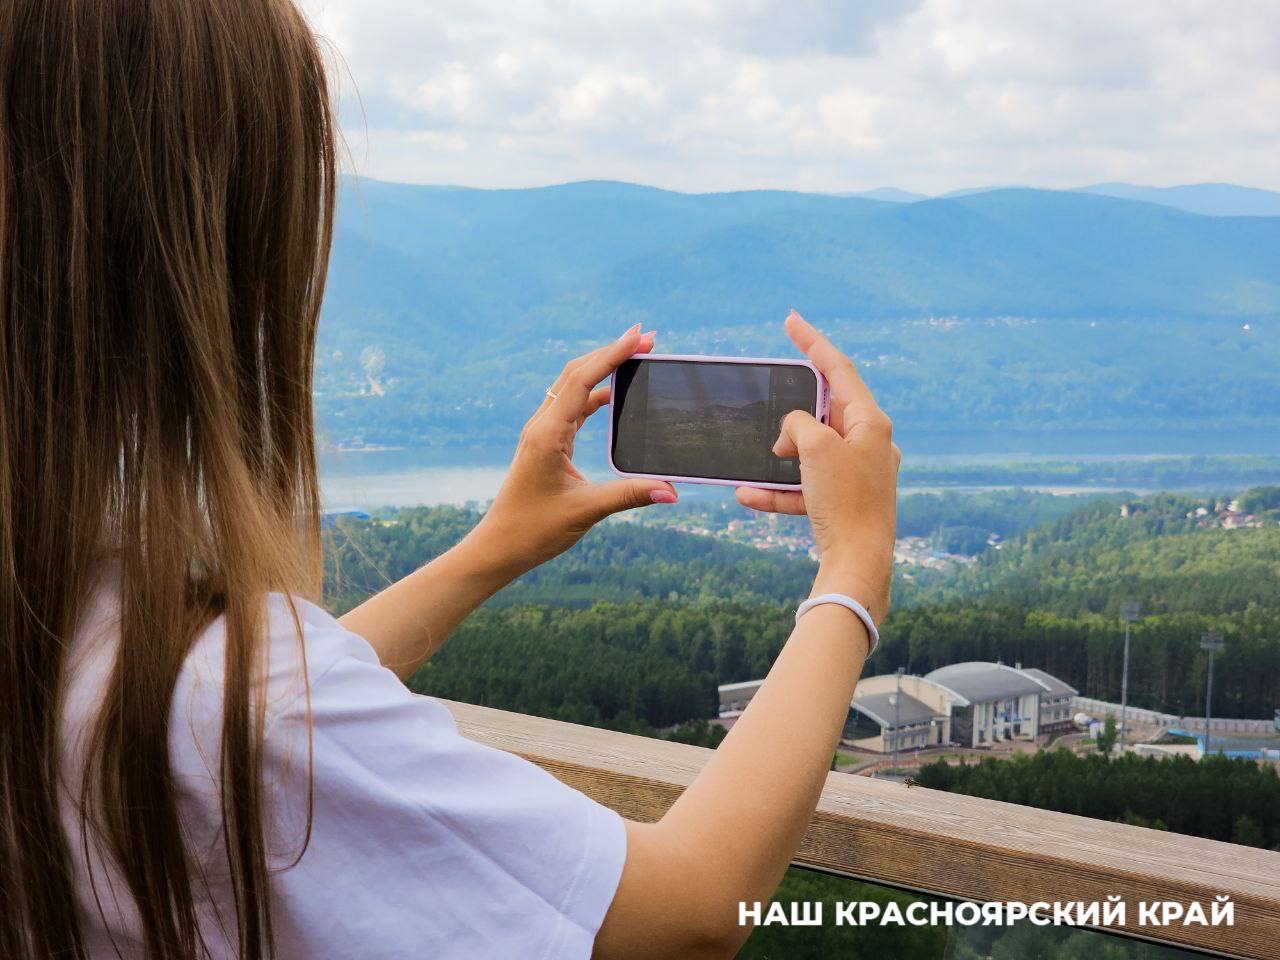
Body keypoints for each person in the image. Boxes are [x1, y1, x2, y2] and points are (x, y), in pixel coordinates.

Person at [0, 1, 899, 958]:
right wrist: (854, 567)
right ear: (209, 261)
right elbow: (688, 912)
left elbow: (239, 723)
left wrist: (490, 551)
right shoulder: (227, 699)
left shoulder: (63, 613)